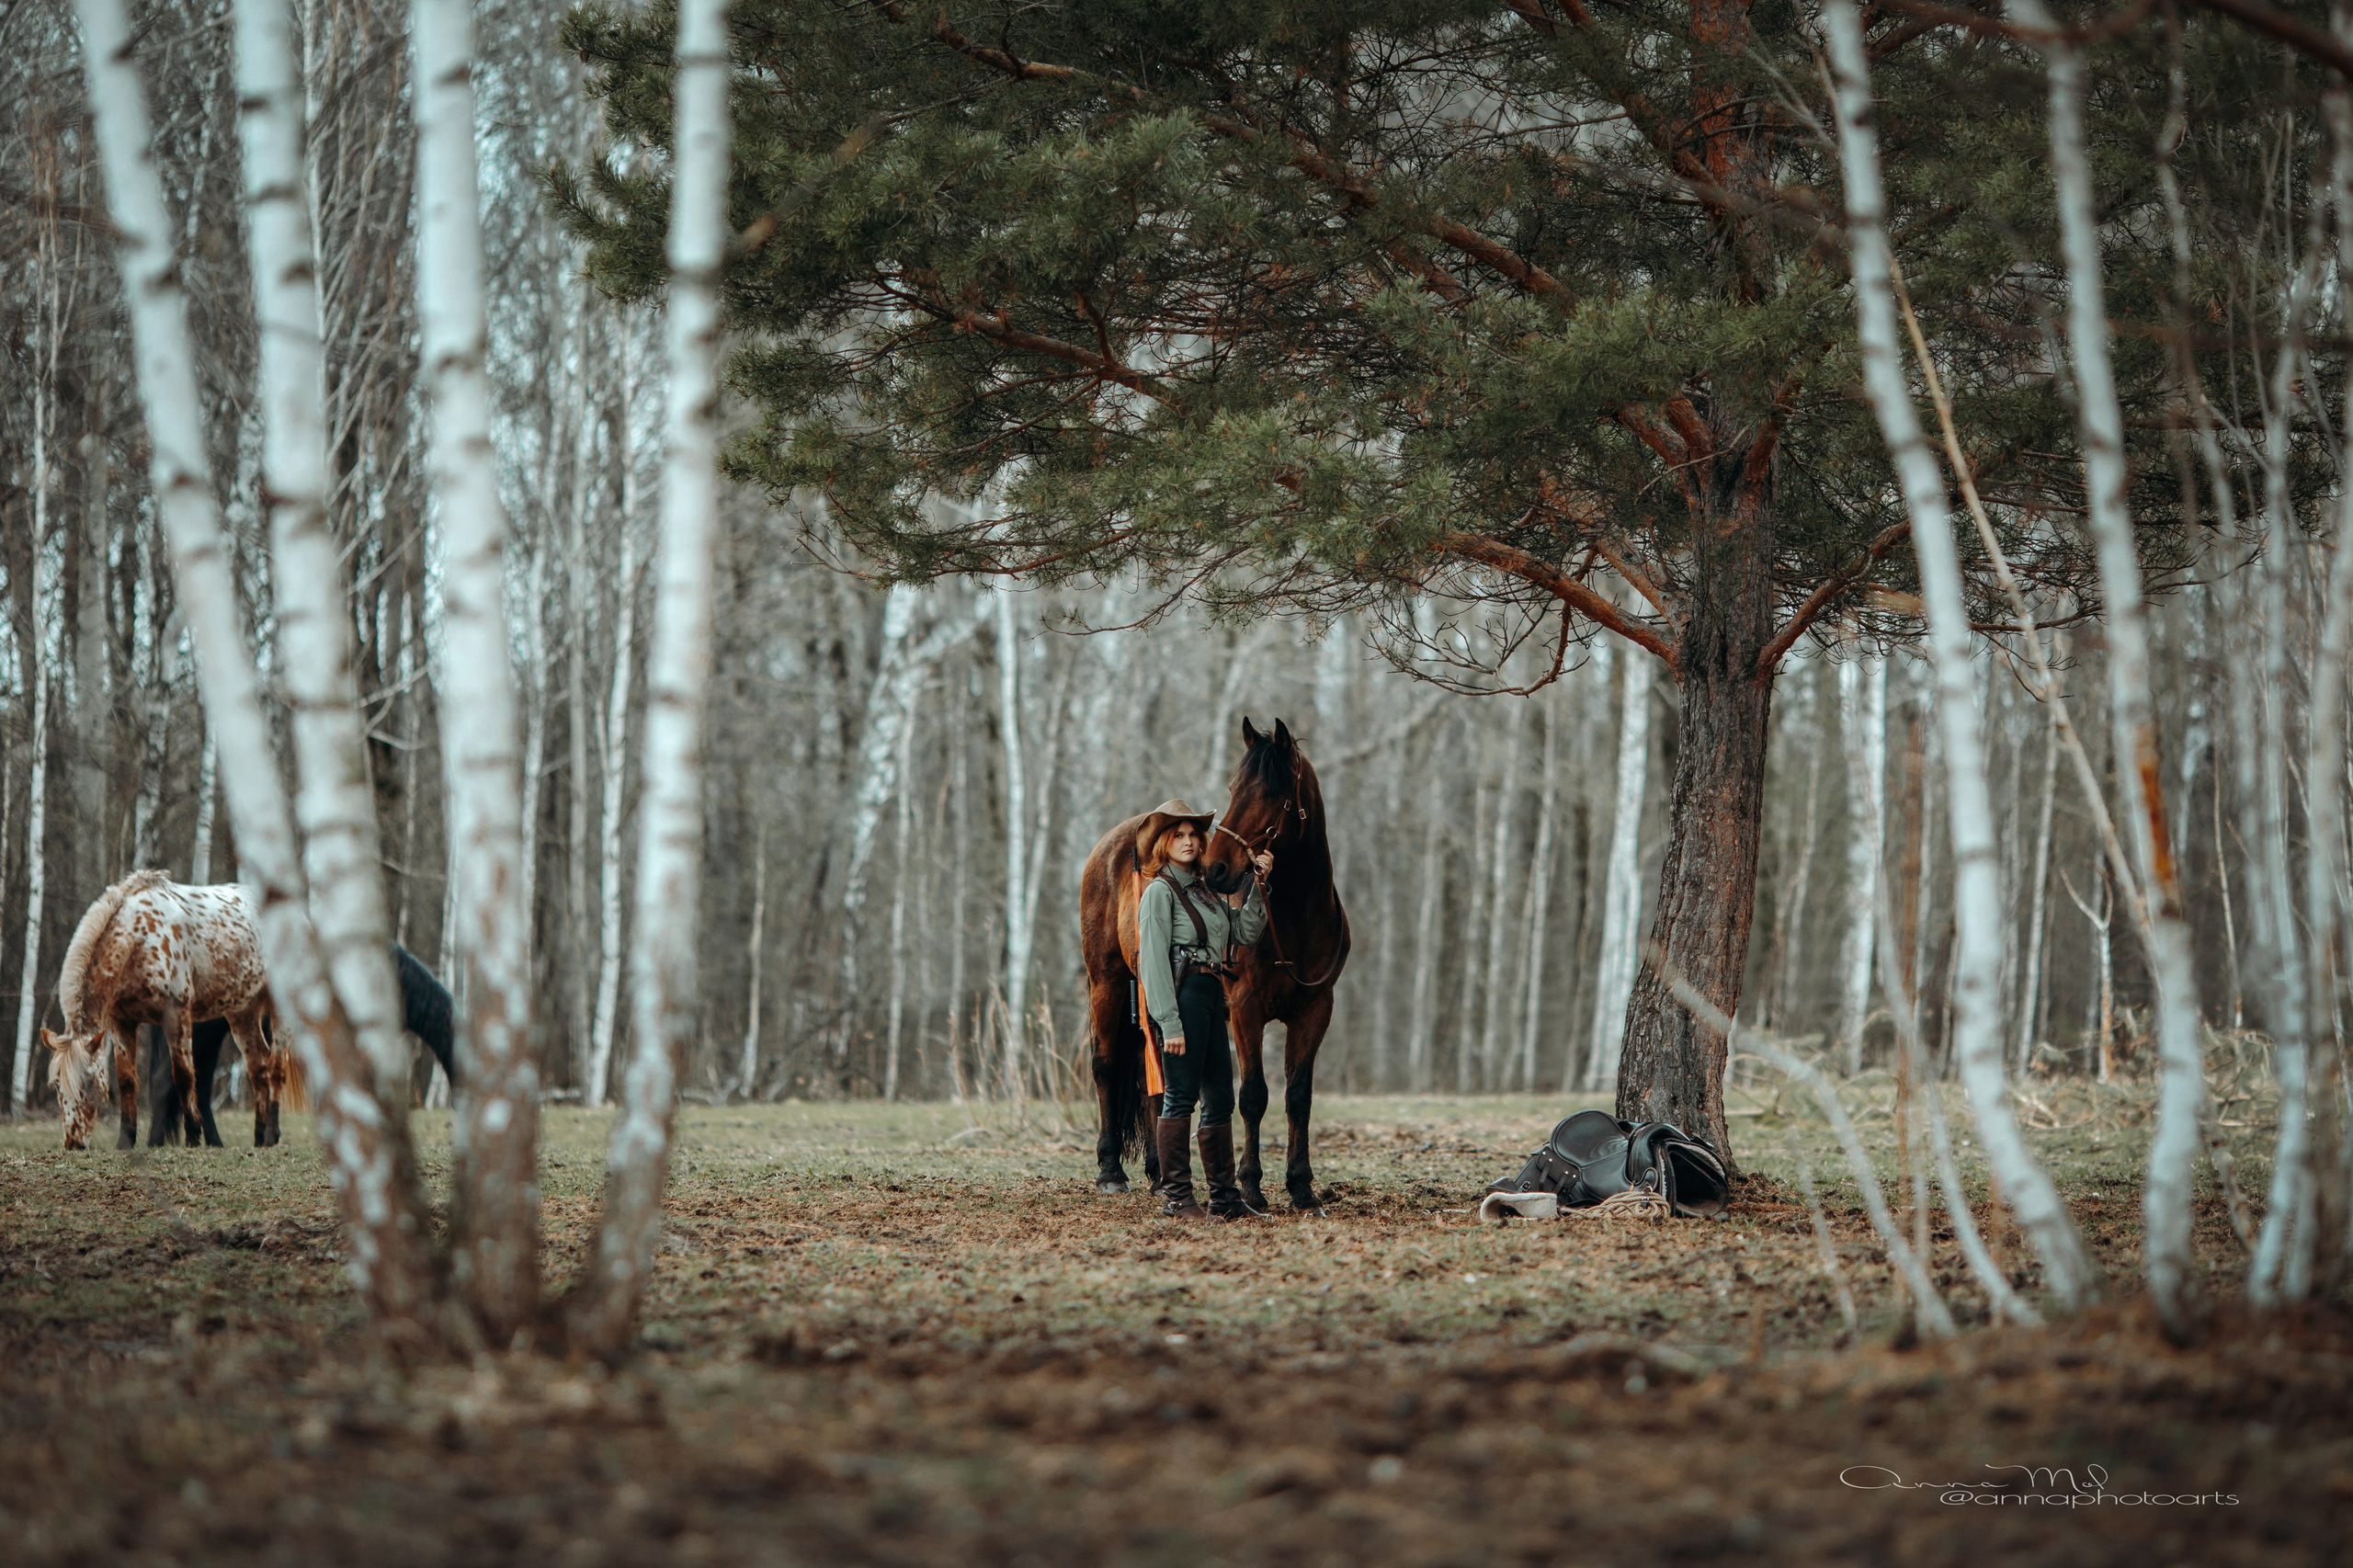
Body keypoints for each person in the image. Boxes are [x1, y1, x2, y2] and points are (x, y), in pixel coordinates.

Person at [1133, 799, 1272, 1220]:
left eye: (1194, 834)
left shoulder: (1209, 893)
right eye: (1179, 835)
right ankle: (1176, 1198)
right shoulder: (1160, 892)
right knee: (1180, 1097)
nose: (1190, 841)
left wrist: (1259, 886)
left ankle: (1225, 1200)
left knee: (1220, 1099)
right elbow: (1152, 962)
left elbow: (1245, 930)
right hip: (1183, 996)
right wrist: (1168, 1022)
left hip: (1214, 993)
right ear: (1163, 843)